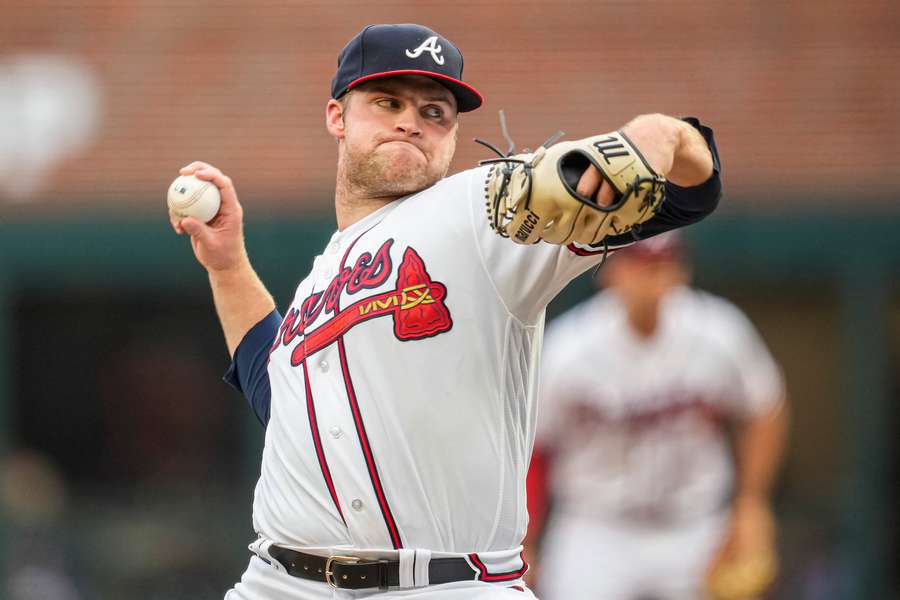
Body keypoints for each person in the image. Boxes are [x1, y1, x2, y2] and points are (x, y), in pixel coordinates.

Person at [168, 23, 722, 600]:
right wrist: (228, 268)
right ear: (337, 116)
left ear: (453, 136)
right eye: (388, 102)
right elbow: (278, 396)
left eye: (435, 112)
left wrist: (659, 136)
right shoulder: (321, 279)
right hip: (279, 583)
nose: (411, 120)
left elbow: (691, 192)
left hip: (449, 584)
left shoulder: (481, 216)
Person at [525, 232, 788, 600]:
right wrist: (527, 540)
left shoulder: (718, 331)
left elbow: (765, 407)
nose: (651, 278)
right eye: (637, 264)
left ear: (681, 271)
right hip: (597, 529)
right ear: (609, 271)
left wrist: (751, 503)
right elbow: (536, 447)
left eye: (663, 264)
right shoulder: (569, 347)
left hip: (693, 525)